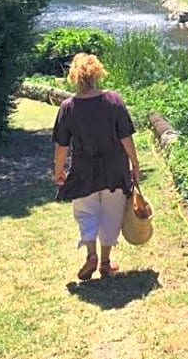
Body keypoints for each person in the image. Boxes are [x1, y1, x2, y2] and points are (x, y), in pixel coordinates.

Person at [53, 53, 140, 280]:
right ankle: (105, 262)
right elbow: (126, 138)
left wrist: (59, 170)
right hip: (115, 169)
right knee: (112, 214)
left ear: (74, 77)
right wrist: (135, 164)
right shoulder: (114, 100)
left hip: (83, 171)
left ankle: (91, 254)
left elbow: (62, 144)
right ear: (97, 74)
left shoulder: (68, 107)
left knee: (86, 212)